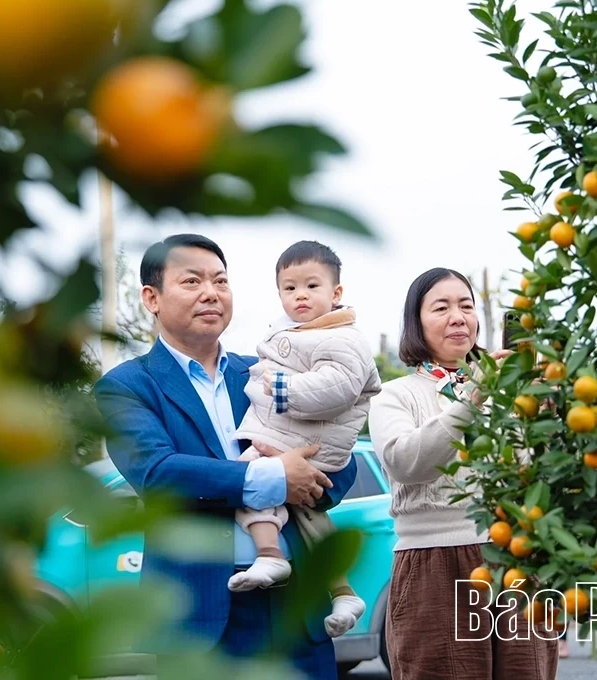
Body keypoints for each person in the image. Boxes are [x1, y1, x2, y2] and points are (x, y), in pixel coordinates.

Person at [93, 234, 359, 679]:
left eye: (220, 281)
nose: (211, 293)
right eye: (192, 281)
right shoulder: (126, 387)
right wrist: (276, 476)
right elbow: (158, 472)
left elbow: (337, 452)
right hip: (198, 622)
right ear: (151, 298)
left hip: (296, 609)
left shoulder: (264, 372)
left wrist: (317, 469)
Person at [369, 267, 559, 680]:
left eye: (466, 306)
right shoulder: (395, 395)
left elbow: (539, 473)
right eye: (441, 308)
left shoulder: (511, 393)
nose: (458, 317)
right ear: (416, 322)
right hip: (434, 564)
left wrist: (548, 411)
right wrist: (474, 399)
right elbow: (404, 461)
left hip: (514, 560)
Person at [229, 241, 381, 640]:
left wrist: (282, 387)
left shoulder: (341, 337)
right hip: (297, 438)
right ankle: (343, 593)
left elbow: (339, 385)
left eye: (312, 286)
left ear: (336, 292)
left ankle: (269, 554)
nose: (300, 295)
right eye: (290, 288)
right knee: (309, 517)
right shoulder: (298, 334)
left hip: (306, 440)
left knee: (252, 477)